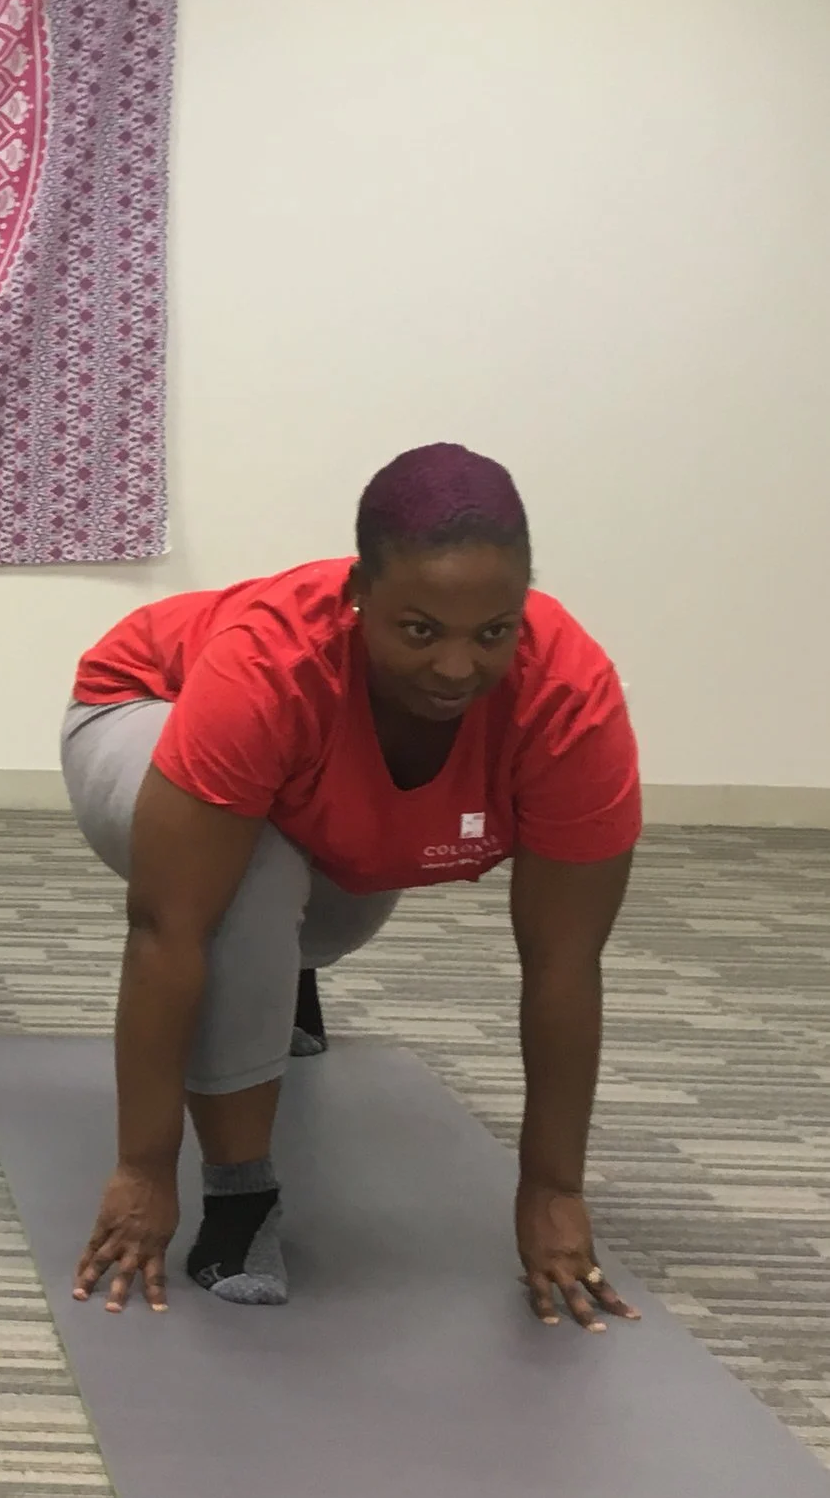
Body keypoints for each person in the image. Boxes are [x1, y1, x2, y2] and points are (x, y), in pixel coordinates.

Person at [62, 443, 642, 1328]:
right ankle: (241, 1198)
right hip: (143, 706)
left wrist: (553, 1188)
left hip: (323, 807)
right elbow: (167, 928)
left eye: (493, 631)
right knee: (245, 877)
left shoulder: (570, 694)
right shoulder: (271, 662)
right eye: (420, 631)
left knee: (294, 910)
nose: (458, 667)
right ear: (359, 594)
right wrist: (145, 1168)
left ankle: (280, 980)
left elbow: (566, 961)